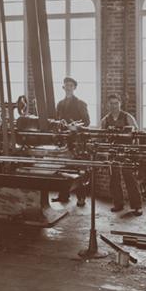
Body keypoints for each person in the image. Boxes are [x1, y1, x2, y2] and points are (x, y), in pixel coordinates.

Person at [102, 93, 142, 215]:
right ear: (108, 105)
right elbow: (101, 137)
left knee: (129, 178)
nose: (114, 106)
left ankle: (137, 206)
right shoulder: (105, 120)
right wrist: (105, 152)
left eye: (116, 103)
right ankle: (118, 204)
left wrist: (134, 152)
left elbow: (137, 135)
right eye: (111, 103)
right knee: (114, 179)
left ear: (120, 104)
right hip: (113, 152)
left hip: (127, 152)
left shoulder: (127, 117)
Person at [54, 77, 90, 205]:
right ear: (63, 88)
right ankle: (63, 195)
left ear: (74, 88)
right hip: (64, 141)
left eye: (71, 85)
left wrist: (76, 126)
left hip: (77, 141)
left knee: (78, 169)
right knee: (63, 167)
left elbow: (87, 121)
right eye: (66, 85)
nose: (68, 88)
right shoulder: (60, 104)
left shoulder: (80, 103)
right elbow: (57, 120)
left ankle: (81, 198)